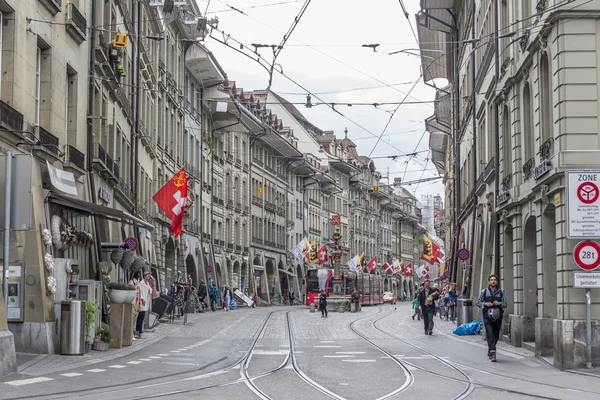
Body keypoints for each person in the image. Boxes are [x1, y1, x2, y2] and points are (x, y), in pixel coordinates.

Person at [476, 274, 507, 362]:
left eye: (495, 280)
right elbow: (478, 303)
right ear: (489, 282)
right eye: (491, 280)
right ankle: (493, 353)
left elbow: (505, 304)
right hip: (487, 316)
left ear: (497, 282)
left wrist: (499, 303)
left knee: (496, 334)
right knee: (490, 333)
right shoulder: (484, 292)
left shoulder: (501, 292)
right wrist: (485, 304)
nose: (493, 281)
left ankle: (490, 349)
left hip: (498, 316)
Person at [136, 272, 152, 339]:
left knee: (142, 317)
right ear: (144, 276)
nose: (149, 278)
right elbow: (139, 292)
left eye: (149, 276)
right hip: (142, 302)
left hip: (146, 301)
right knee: (140, 317)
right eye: (148, 276)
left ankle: (138, 331)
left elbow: (150, 290)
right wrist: (142, 299)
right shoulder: (141, 283)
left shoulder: (147, 283)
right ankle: (139, 331)